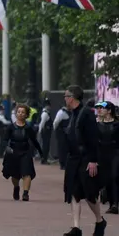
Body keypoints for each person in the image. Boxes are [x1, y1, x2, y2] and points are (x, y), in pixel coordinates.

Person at [62, 85, 107, 236]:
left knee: (89, 193)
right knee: (73, 192)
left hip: (86, 159)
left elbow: (93, 138)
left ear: (72, 97)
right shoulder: (73, 114)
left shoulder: (86, 114)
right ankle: (76, 227)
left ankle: (100, 220)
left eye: (66, 96)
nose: (65, 99)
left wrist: (93, 160)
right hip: (73, 159)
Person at [1, 104, 42, 201]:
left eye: (23, 112)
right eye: (18, 112)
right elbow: (5, 140)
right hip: (13, 152)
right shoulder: (10, 127)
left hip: (25, 152)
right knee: (15, 175)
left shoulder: (28, 128)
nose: (20, 114)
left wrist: (40, 152)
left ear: (26, 115)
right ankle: (16, 187)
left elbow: (34, 141)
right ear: (16, 114)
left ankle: (25, 193)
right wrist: (6, 148)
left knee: (27, 173)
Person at [95, 101, 118, 214]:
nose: (100, 110)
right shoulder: (97, 124)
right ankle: (111, 203)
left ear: (109, 111)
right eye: (98, 108)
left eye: (103, 108)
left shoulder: (117, 124)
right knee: (107, 178)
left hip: (115, 152)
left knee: (115, 176)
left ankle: (115, 204)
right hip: (102, 154)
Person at [54, 105, 72, 169]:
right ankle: (62, 164)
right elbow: (56, 122)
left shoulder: (70, 112)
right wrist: (57, 130)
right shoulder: (61, 112)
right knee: (62, 148)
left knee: (66, 148)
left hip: (67, 133)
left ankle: (65, 163)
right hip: (61, 133)